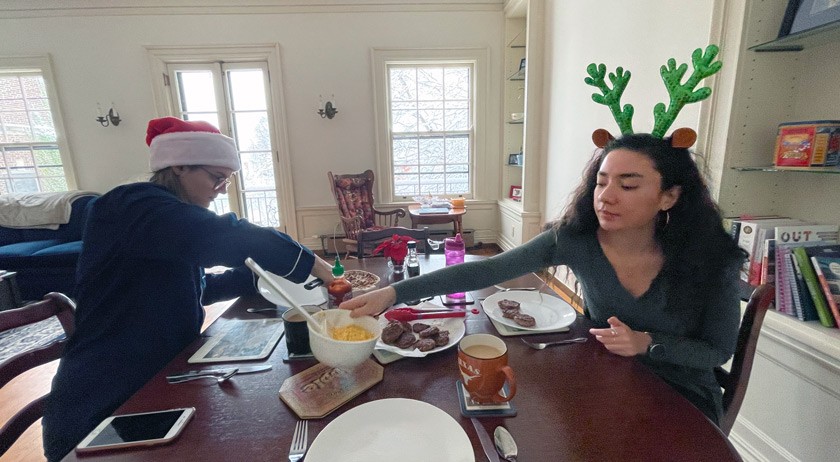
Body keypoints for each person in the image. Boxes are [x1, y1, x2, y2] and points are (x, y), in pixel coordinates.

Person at [341, 132, 745, 425]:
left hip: (681, 402)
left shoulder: (712, 258)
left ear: (669, 196)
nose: (606, 196)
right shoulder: (575, 238)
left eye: (628, 184)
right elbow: (486, 269)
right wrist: (392, 293)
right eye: (601, 182)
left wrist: (647, 344)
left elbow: (717, 351)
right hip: (606, 383)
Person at [42, 117, 334, 461]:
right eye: (216, 177)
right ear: (179, 164)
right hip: (105, 402)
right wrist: (317, 264)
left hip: (158, 378)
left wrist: (257, 278)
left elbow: (196, 288)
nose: (222, 188)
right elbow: (230, 234)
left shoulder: (164, 220)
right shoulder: (130, 205)